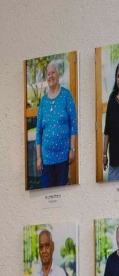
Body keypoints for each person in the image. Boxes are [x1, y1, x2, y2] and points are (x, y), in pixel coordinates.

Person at [32, 58, 77, 189]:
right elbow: (38, 131)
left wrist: (72, 149)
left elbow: (73, 125)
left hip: (63, 157)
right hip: (46, 159)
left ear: (58, 75)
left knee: (61, 193)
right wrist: (38, 157)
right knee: (46, 193)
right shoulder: (43, 101)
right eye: (48, 74)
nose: (50, 76)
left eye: (53, 72)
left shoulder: (66, 96)